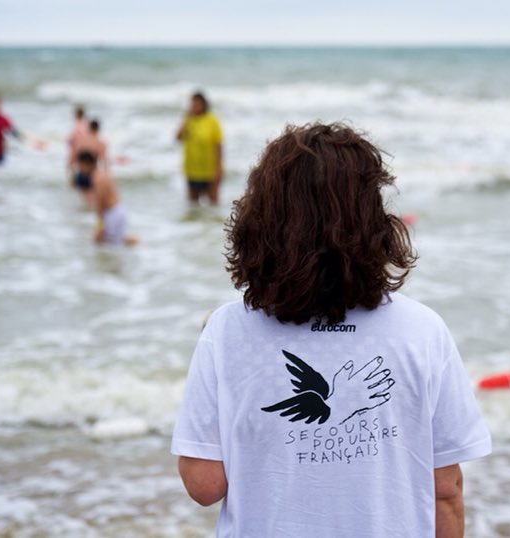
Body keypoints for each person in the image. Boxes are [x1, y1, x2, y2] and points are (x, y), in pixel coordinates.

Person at [172, 123, 491, 536]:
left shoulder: (227, 330)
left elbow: (204, 485)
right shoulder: (422, 330)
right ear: (372, 219)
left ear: (261, 220)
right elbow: (445, 490)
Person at [75, 151, 137, 246]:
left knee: (112, 244)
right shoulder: (102, 173)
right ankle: (138, 243)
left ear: (86, 164)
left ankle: (138, 242)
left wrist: (99, 225)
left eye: (79, 165)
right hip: (117, 210)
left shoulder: (97, 178)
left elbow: (100, 202)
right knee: (116, 241)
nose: (79, 169)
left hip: (112, 213)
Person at [175, 91, 223, 206]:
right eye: (192, 103)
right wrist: (185, 119)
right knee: (193, 205)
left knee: (213, 204)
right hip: (191, 170)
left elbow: (218, 145)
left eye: (197, 103)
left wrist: (219, 167)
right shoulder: (188, 120)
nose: (194, 106)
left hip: (209, 170)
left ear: (203, 104)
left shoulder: (212, 120)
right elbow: (178, 137)